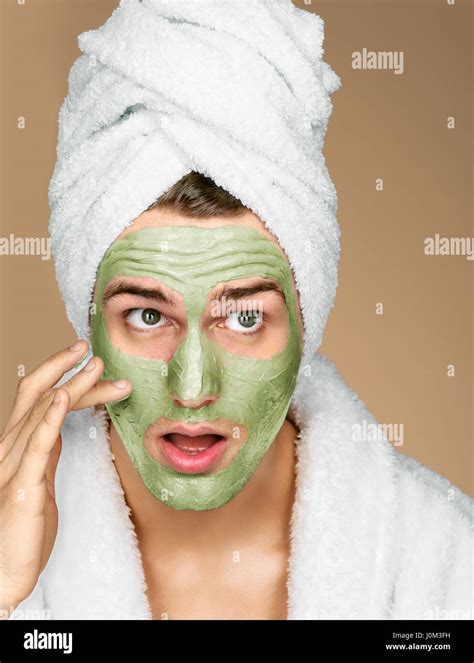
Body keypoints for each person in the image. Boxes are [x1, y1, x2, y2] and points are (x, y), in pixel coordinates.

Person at [1, 0, 472, 620]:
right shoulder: (14, 554)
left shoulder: (444, 563)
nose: (192, 389)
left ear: (308, 321)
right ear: (86, 320)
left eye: (244, 318)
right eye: (148, 316)